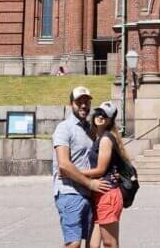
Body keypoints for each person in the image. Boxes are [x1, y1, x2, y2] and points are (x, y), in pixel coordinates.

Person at [52, 86, 113, 248]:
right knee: (74, 244)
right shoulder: (64, 128)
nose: (84, 106)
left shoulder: (90, 130)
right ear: (71, 103)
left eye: (87, 102)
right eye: (79, 102)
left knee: (93, 244)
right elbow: (63, 165)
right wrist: (90, 183)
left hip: (88, 194)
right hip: (69, 193)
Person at [82, 101, 130, 248]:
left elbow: (100, 170)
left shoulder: (105, 139)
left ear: (110, 120)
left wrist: (73, 172)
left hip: (107, 193)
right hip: (100, 192)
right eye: (99, 112)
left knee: (109, 243)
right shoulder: (100, 137)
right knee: (93, 245)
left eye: (105, 115)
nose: (100, 116)